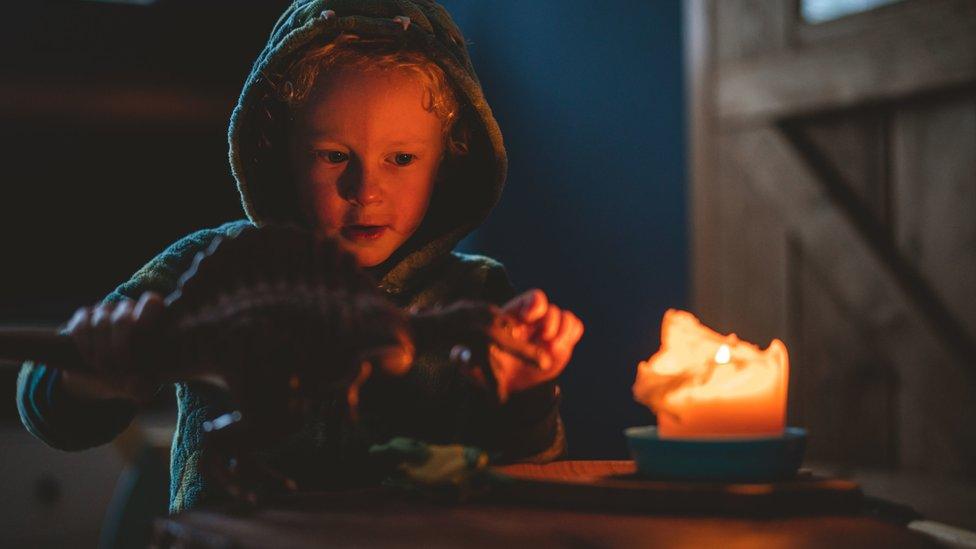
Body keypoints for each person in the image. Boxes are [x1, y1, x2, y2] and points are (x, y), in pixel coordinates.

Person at [17, 0, 584, 513]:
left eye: (403, 158)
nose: (366, 190)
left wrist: (527, 393)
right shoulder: (208, 264)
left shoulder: (479, 294)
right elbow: (47, 407)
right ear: (280, 152)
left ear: (448, 158)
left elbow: (531, 471)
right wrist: (98, 373)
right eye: (334, 155)